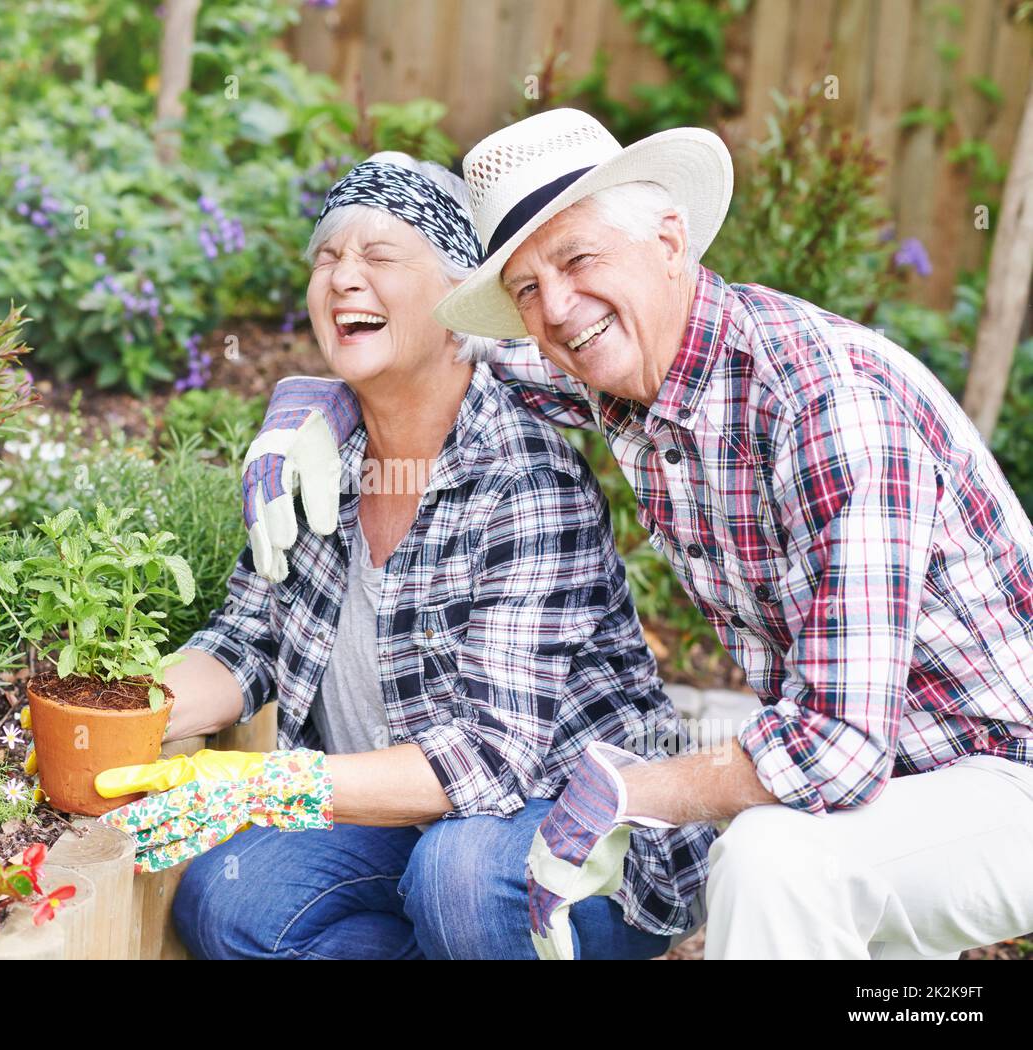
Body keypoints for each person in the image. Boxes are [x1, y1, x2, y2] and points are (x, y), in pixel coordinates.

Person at [246, 111, 1033, 960]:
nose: (558, 309)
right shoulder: (631, 380)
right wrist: (315, 397)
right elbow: (440, 359)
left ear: (669, 240)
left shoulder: (825, 405)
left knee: (774, 866)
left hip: (995, 775)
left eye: (580, 260)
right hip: (891, 784)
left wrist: (631, 787)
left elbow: (836, 749)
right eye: (526, 288)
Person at [96, 151, 715, 960]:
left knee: (456, 878)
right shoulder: (319, 461)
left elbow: (492, 762)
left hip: (565, 833)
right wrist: (116, 713)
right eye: (327, 258)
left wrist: (267, 784)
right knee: (231, 899)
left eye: (381, 257)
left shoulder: (521, 478)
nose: (344, 278)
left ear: (460, 301)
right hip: (402, 821)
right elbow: (245, 641)